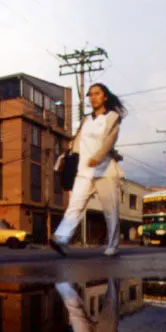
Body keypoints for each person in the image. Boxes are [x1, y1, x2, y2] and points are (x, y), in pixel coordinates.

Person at [51, 83, 126, 257]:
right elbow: (77, 141)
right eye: (90, 95)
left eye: (97, 94)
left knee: (110, 209)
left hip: (104, 170)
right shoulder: (86, 119)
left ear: (105, 97)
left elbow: (110, 140)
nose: (93, 97)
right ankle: (61, 238)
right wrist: (67, 153)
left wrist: (98, 157)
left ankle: (113, 245)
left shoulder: (112, 117)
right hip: (84, 170)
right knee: (75, 205)